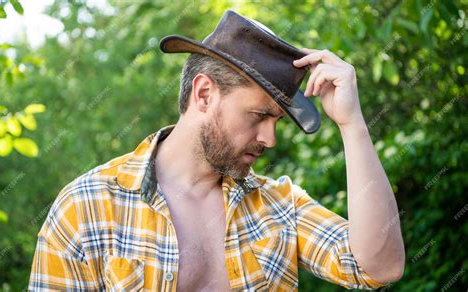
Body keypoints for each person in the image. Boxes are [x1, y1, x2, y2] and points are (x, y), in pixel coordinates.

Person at [28, 10, 405, 291]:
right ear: (204, 93)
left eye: (276, 121)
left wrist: (352, 125)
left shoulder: (278, 204)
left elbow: (378, 268)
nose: (270, 139)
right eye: (258, 115)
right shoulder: (87, 207)